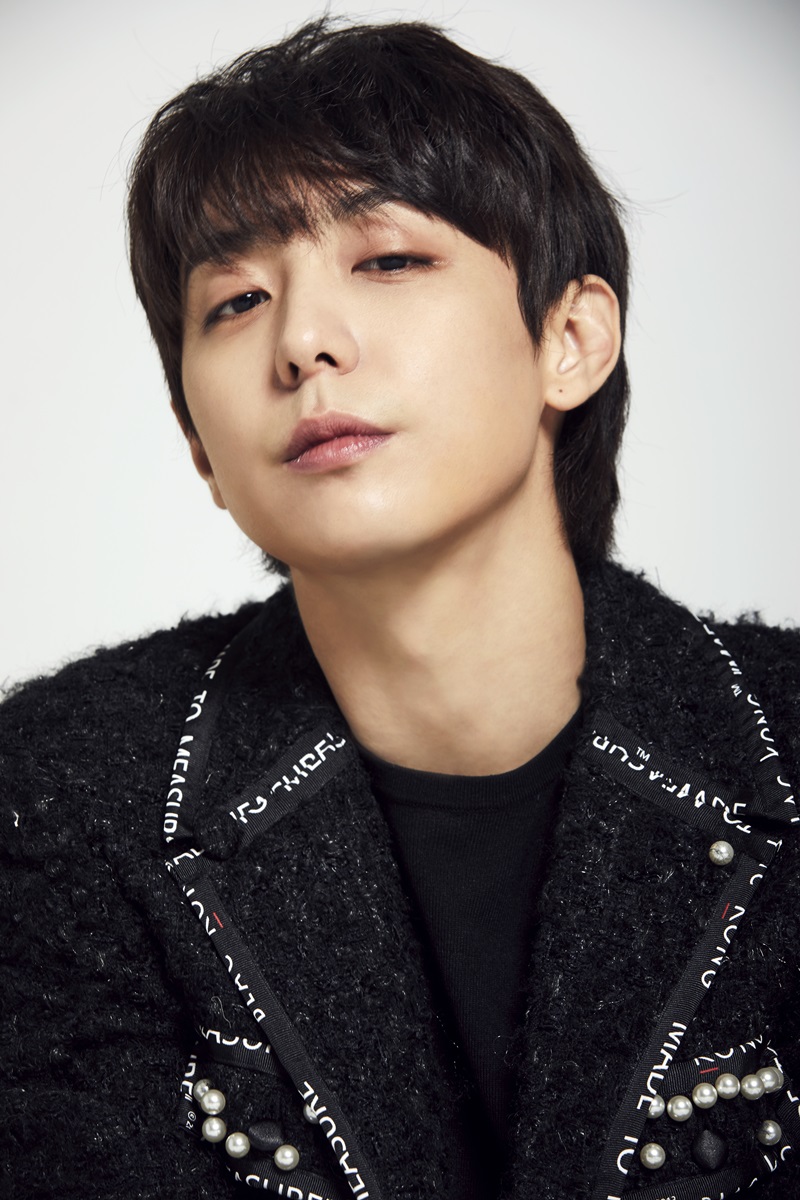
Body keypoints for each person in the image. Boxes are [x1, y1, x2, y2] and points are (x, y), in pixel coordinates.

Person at [2, 17, 799, 1200]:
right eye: (235, 301)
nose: (301, 344)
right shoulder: (64, 795)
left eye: (385, 261)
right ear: (198, 444)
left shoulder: (781, 739)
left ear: (570, 340)